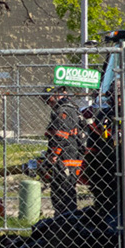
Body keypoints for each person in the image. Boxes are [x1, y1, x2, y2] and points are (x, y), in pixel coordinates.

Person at [41, 85, 89, 219]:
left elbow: (59, 137)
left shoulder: (62, 111)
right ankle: (67, 220)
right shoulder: (73, 108)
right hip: (72, 156)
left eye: (50, 100)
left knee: (62, 193)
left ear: (57, 95)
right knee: (68, 192)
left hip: (64, 158)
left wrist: (53, 156)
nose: (49, 104)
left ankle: (64, 221)